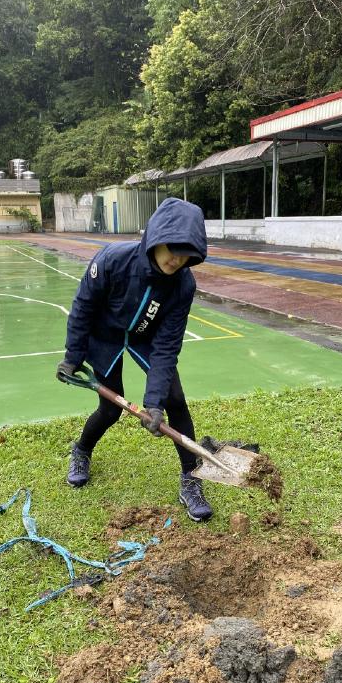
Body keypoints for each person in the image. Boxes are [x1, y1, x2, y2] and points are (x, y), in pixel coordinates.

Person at [56, 197, 213, 522]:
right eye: (174, 248)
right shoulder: (112, 260)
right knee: (110, 410)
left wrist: (153, 402)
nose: (178, 259)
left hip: (146, 338)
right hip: (106, 337)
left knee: (175, 400)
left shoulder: (183, 285)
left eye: (187, 253)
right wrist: (73, 355)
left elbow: (167, 345)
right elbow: (83, 307)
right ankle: (81, 451)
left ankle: (191, 479)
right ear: (157, 237)